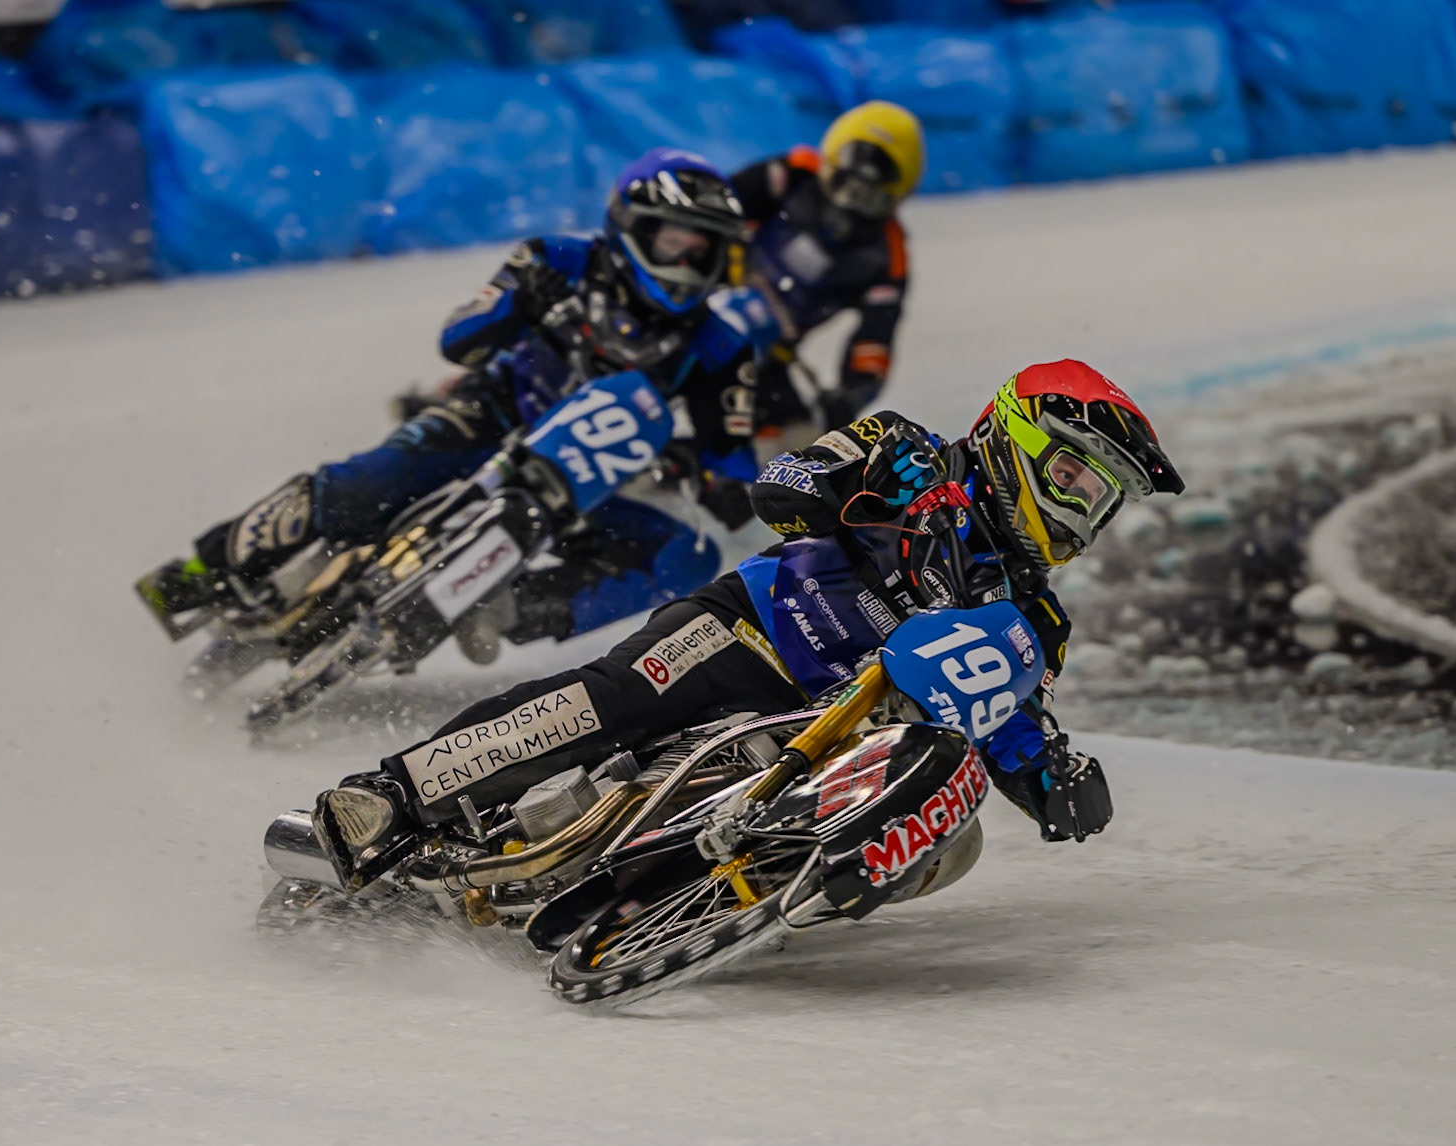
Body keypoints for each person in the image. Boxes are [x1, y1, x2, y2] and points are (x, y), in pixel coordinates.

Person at [313, 359, 1185, 891]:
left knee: (950, 838)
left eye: (1101, 501)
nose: (1081, 511)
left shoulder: (1034, 618)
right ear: (1017, 438)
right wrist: (838, 492)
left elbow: (1003, 719)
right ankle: (392, 795)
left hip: (842, 733)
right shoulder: (909, 451)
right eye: (1073, 479)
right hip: (758, 629)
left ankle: (716, 896)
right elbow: (787, 481)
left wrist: (1053, 777)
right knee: (611, 699)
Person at [138, 148, 773, 650]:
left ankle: (502, 608)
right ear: (632, 225)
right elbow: (458, 341)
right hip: (492, 417)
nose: (687, 262)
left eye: (703, 249)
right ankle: (208, 566)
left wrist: (702, 472)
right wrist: (522, 305)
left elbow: (734, 462)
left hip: (584, 479)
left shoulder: (722, 346)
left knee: (688, 555)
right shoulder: (556, 257)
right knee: (367, 484)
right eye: (673, 242)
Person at [731, 100, 925, 435]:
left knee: (796, 440)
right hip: (699, 299)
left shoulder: (888, 259)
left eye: (869, 197)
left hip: (767, 356)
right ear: (829, 164)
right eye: (845, 186)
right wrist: (724, 266)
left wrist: (847, 399)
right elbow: (713, 212)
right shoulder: (791, 172)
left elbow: (873, 347)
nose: (848, 206)